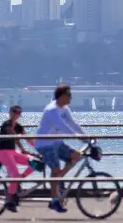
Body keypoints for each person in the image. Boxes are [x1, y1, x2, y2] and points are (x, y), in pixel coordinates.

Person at [34, 84, 91, 213]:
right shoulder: (51, 110)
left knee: (76, 156)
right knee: (55, 170)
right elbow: (62, 126)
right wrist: (77, 137)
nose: (71, 98)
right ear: (62, 96)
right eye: (69, 95)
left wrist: (85, 135)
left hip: (57, 142)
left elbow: (72, 123)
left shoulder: (64, 109)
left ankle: (58, 181)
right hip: (45, 144)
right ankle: (54, 200)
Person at [0, 105, 37, 213]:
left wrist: (39, 148)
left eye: (18, 112)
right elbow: (15, 138)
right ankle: (9, 200)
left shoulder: (18, 126)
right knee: (14, 175)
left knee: (35, 163)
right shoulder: (7, 125)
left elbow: (27, 138)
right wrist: (23, 150)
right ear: (10, 113)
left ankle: (19, 181)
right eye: (14, 112)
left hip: (13, 152)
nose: (16, 114)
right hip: (3, 153)